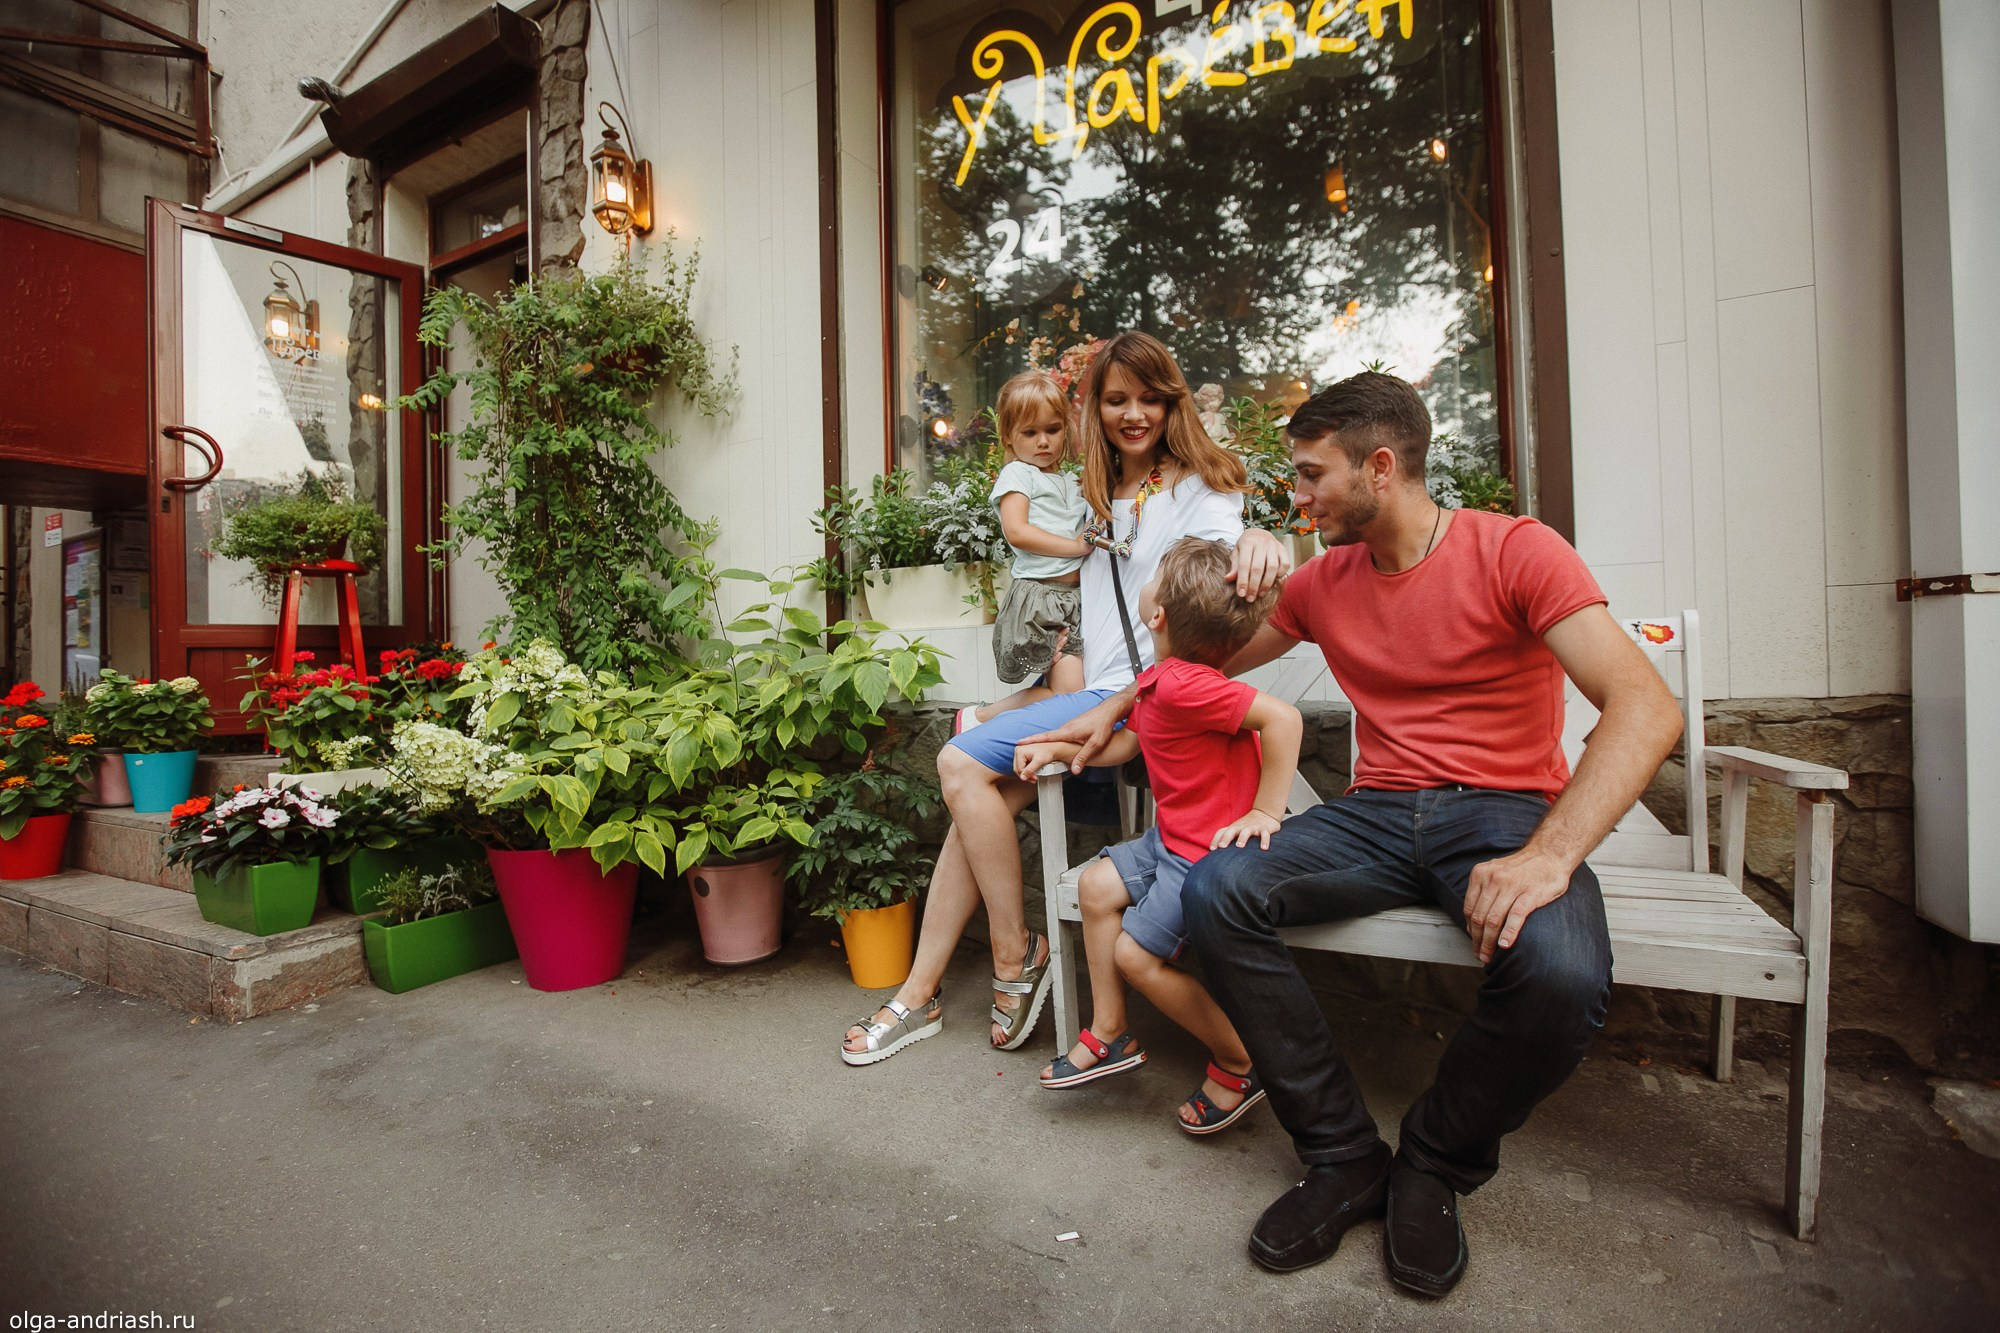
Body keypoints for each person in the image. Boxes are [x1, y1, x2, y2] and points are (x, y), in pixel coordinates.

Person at [1033, 371, 1683, 1297]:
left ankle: (1432, 1162)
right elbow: (1200, 657)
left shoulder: (1517, 551)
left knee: (1563, 974)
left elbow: (1645, 707)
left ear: (1381, 467)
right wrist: (1119, 704)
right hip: (1374, 811)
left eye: (1309, 477)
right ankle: (1342, 1155)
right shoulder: (1325, 579)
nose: (1296, 498)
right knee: (1219, 891)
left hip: (1502, 810)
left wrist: (1547, 853)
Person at [839, 331, 1293, 1066]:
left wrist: (1262, 537)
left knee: (958, 764)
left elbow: (1220, 567)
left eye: (1150, 397)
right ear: (1096, 408)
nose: (1134, 413)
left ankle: (1015, 960)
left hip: (1145, 700)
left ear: (1172, 400)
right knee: (974, 798)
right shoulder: (1091, 491)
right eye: (1117, 400)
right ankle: (920, 992)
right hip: (1090, 684)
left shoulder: (1202, 486)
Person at [1014, 536, 1299, 1135]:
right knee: (1095, 887)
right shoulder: (1164, 679)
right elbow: (1129, 743)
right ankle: (1111, 1030)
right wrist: (1053, 747)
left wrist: (1268, 812)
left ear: (1157, 615)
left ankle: (1240, 1059)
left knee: (1134, 954)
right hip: (1171, 838)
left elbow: (1284, 718)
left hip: (1203, 855)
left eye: (1156, 575)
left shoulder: (1188, 684)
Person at [955, 371, 1090, 735]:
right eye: (1030, 433)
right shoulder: (1018, 474)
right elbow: (1018, 531)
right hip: (1042, 597)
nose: (1043, 442)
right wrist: (1078, 547)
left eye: (1053, 429)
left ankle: (1030, 740)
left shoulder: (1071, 480)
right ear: (1009, 438)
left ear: (1067, 430)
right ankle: (979, 718)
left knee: (1072, 692)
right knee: (1069, 694)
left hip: (1074, 598)